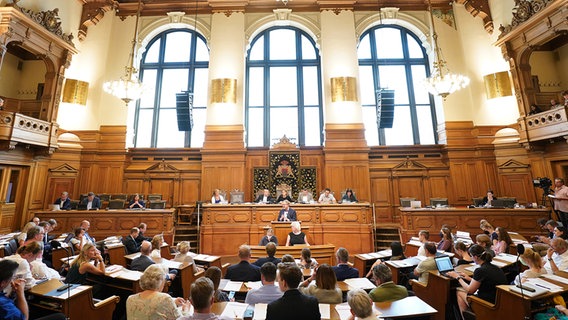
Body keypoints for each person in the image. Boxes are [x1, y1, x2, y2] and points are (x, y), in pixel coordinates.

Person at [447, 244, 508, 318]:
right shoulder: (495, 267)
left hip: (487, 304)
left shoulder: (480, 270)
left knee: (459, 292)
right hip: (498, 302)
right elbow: (485, 282)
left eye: (471, 256)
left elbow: (470, 290)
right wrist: (468, 278)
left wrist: (457, 277)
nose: (471, 258)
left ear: (475, 257)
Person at [0, 259, 66, 320]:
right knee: (60, 317)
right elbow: (25, 318)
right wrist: (20, 292)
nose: (13, 281)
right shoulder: (3, 304)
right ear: (3, 283)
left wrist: (14, 293)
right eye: (13, 277)